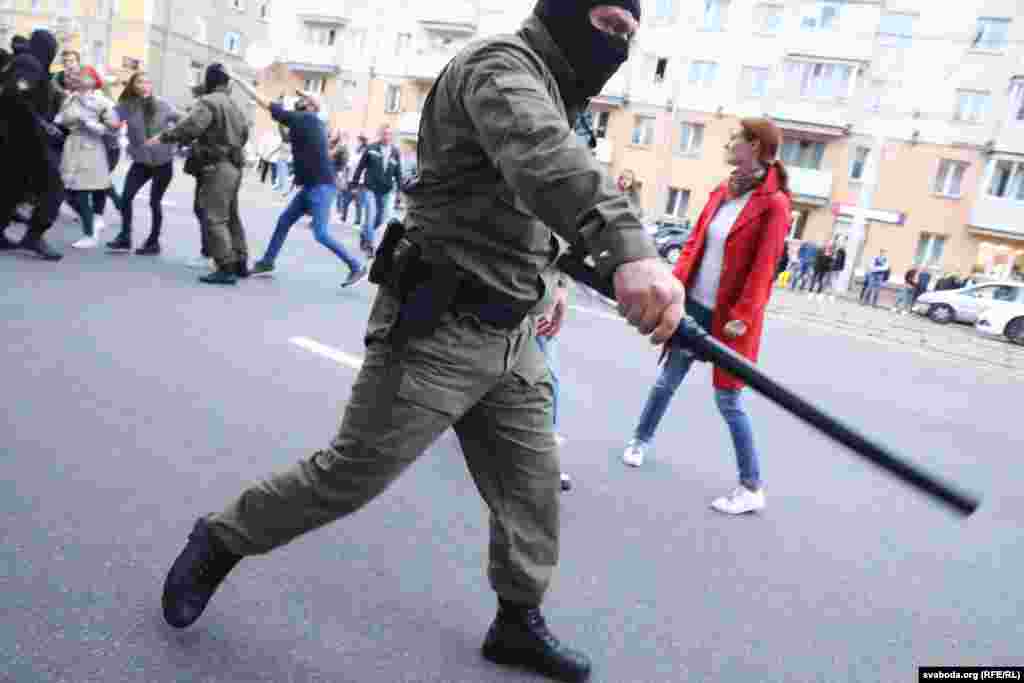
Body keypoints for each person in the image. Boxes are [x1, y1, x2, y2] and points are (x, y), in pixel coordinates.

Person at [160, 3, 685, 682]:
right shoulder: (501, 69)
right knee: (347, 475)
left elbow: (530, 205)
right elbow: (544, 162)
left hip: (513, 333)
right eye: (609, 24)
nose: (617, 45)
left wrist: (553, 273)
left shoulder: (560, 94)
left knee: (530, 490)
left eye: (629, 37)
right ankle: (221, 537)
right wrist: (629, 250)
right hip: (440, 323)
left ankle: (516, 619)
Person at [621, 118, 791, 517]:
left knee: (729, 400)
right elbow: (695, 243)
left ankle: (751, 486)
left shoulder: (774, 204)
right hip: (693, 304)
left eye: (736, 138)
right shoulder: (723, 190)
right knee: (667, 381)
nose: (729, 142)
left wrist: (744, 316)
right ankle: (640, 440)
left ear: (755, 146)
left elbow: (764, 268)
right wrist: (672, 286)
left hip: (730, 317)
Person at [226, 81, 367, 287]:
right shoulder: (313, 122)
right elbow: (289, 131)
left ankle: (356, 266)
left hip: (320, 186)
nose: (299, 102)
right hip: (312, 185)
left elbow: (264, 102)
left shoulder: (306, 119)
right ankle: (267, 262)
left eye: (303, 100)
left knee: (320, 233)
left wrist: (239, 80)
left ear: (310, 106)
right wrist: (301, 97)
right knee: (284, 221)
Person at [149, 63, 250, 284]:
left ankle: (225, 266)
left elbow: (192, 126)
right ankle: (240, 261)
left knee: (214, 216)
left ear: (209, 80)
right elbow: (244, 134)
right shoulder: (234, 105)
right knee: (231, 215)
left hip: (217, 165)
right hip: (234, 165)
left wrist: (165, 137)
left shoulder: (209, 101)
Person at [0, 30, 66, 260]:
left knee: (12, 188)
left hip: (17, 138)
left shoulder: (27, 63)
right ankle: (34, 236)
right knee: (54, 188)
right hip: (26, 140)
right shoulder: (29, 63)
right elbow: (15, 96)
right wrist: (42, 124)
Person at [106, 71, 182, 254]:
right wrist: (111, 122)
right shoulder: (127, 106)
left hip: (163, 161)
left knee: (155, 202)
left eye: (147, 82)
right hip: (141, 162)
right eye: (139, 82)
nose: (144, 85)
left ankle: (153, 242)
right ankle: (125, 237)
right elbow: (111, 117)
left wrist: (169, 136)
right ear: (133, 86)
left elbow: (185, 120)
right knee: (126, 197)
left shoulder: (163, 105)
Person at [55, 65, 120, 249]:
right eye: (76, 76)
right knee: (71, 189)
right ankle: (92, 224)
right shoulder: (70, 99)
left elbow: (113, 127)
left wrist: (91, 124)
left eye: (82, 76)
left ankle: (89, 234)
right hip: (72, 146)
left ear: (93, 80)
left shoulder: (102, 101)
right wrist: (61, 121)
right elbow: (62, 118)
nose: (76, 78)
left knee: (84, 191)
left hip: (91, 147)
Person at [350, 123, 402, 256]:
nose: (387, 136)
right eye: (384, 133)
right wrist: (354, 185)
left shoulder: (395, 152)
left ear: (392, 136)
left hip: (385, 191)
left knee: (380, 219)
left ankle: (364, 233)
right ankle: (369, 246)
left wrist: (399, 193)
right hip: (370, 189)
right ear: (380, 134)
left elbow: (398, 173)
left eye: (389, 134)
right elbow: (360, 167)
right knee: (370, 217)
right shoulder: (371, 148)